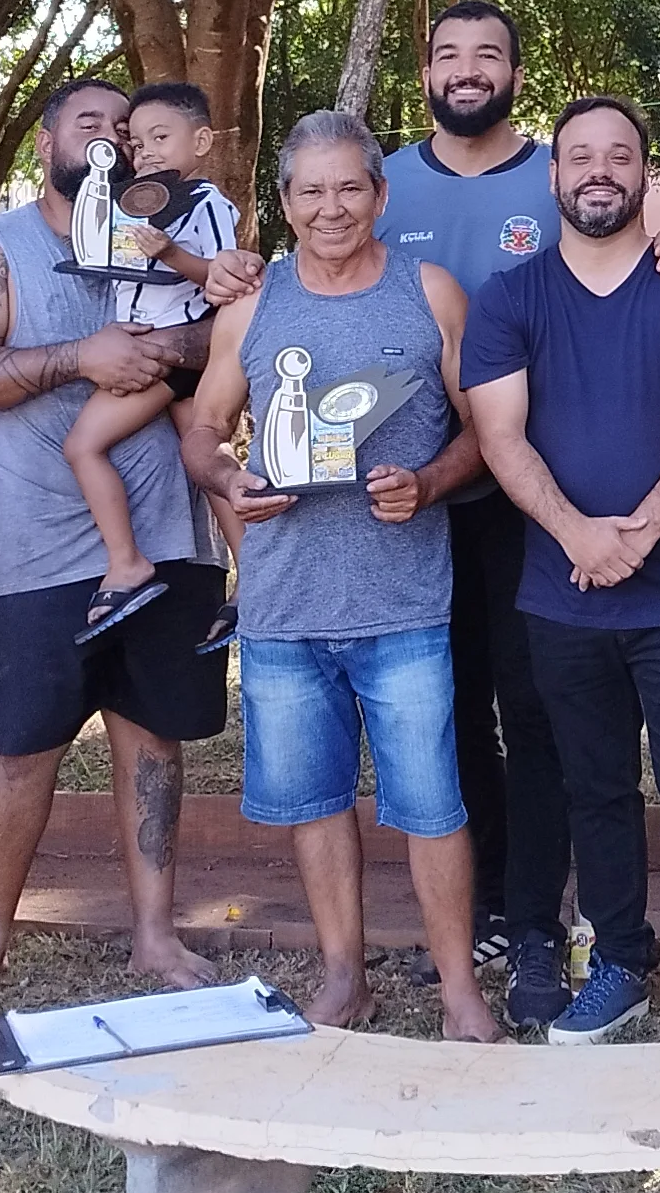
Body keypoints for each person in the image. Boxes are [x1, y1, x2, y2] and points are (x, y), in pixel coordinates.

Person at [181, 110, 502, 1042]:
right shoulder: (252, 307)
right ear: (284, 203)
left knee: (432, 807)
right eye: (312, 191)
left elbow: (485, 426)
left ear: (380, 195)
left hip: (404, 603)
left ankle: (459, 994)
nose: (332, 208)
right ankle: (343, 978)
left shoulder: (429, 292)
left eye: (350, 188)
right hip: (283, 607)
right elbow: (202, 429)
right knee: (316, 804)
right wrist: (228, 480)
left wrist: (430, 483)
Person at [0, 77, 231, 1007]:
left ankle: (154, 935)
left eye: (124, 129)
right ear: (46, 141)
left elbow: (235, 331)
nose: (110, 140)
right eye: (87, 123)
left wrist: (173, 351)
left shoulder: (175, 227)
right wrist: (76, 358)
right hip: (37, 544)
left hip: (169, 535)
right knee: (22, 750)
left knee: (155, 740)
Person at [462, 95, 660, 1043]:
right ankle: (621, 960)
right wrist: (577, 534)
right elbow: (499, 436)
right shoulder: (510, 297)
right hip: (564, 593)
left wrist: (641, 530)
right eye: (580, 155)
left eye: (619, 156)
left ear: (644, 174)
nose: (599, 171)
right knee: (595, 789)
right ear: (553, 176)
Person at [68, 81, 259, 640]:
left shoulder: (206, 203)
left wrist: (171, 253)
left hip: (175, 354)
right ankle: (254, 571)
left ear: (200, 141)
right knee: (205, 459)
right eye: (136, 141)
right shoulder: (134, 200)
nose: (146, 151)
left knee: (83, 445)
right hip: (152, 345)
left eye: (160, 138)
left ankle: (127, 561)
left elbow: (223, 277)